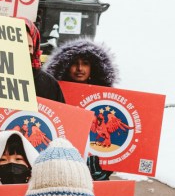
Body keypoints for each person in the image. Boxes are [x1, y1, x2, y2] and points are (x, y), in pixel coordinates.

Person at [44, 39, 119, 181]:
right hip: (58, 165)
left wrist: (104, 168)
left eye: (85, 63)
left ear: (93, 67)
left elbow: (112, 142)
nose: (79, 68)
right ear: (66, 66)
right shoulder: (51, 92)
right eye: (74, 63)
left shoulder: (105, 99)